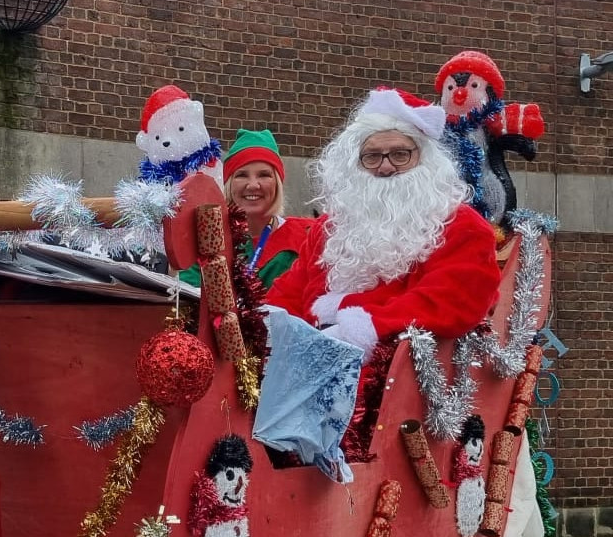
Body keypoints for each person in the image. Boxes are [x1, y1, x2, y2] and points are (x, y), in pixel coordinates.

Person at [265, 87, 501, 362]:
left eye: (400, 154)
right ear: (355, 165)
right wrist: (268, 326)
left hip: (401, 380)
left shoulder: (462, 226)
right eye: (372, 156)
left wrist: (364, 325)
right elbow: (288, 294)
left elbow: (451, 301)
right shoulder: (329, 229)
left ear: (425, 158)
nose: (385, 167)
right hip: (307, 370)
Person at [178, 128, 315, 289]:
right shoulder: (208, 239)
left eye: (264, 175)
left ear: (277, 183)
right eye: (242, 175)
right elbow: (188, 298)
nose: (252, 185)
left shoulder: (304, 238)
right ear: (229, 184)